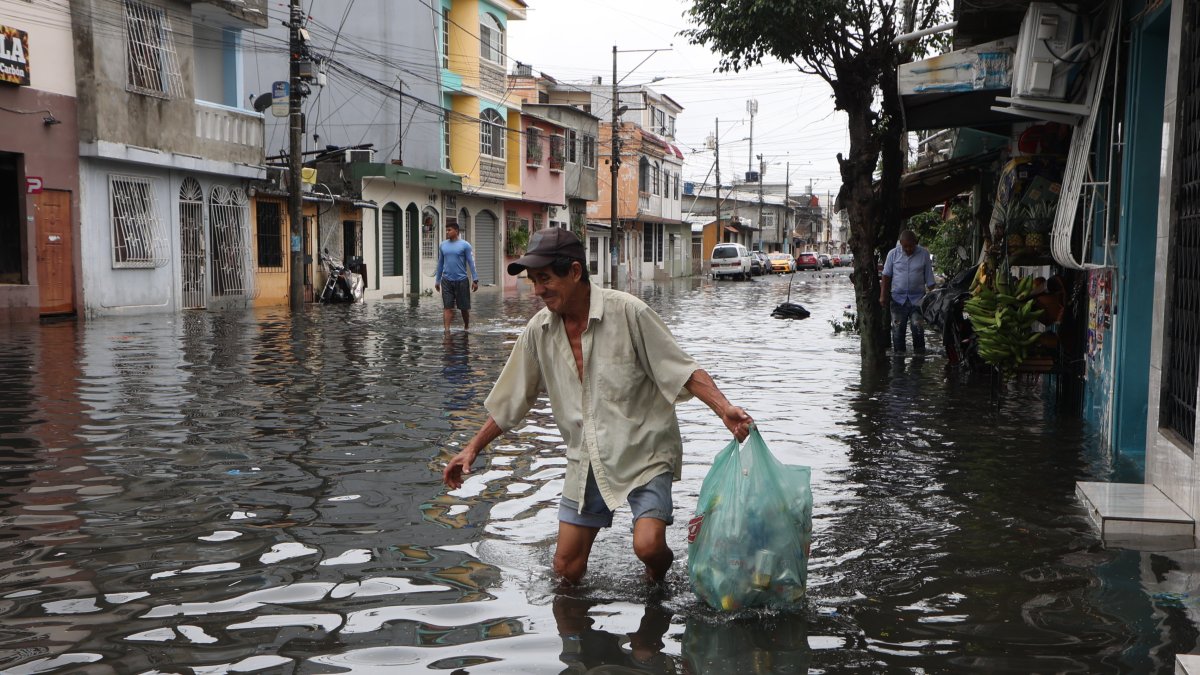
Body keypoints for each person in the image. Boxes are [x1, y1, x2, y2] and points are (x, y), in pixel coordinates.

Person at [442, 227, 752, 585]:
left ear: (575, 272)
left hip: (644, 450)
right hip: (586, 456)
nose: (538, 290)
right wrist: (472, 448)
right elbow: (512, 399)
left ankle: (659, 578)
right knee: (566, 568)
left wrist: (723, 408)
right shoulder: (539, 331)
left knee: (649, 546)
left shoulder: (629, 312)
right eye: (533, 280)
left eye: (545, 278)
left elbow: (681, 369)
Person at [880, 230, 935, 354]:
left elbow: (930, 279)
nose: (909, 249)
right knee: (898, 330)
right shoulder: (893, 254)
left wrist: (935, 298)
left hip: (918, 301)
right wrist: (883, 296)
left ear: (916, 243)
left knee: (918, 328)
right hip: (897, 300)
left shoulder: (924, 254)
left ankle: (919, 357)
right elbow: (886, 275)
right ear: (901, 243)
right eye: (905, 246)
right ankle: (898, 358)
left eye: (911, 246)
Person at [434, 221, 478, 332]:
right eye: (446, 230)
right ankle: (447, 331)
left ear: (456, 231)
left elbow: (471, 262)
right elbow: (440, 263)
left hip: (461, 281)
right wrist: (437, 280)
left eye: (449, 230)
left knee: (464, 308)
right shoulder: (443, 245)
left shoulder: (465, 245)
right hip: (446, 280)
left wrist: (475, 279)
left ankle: (466, 326)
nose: (447, 232)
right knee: (447, 307)